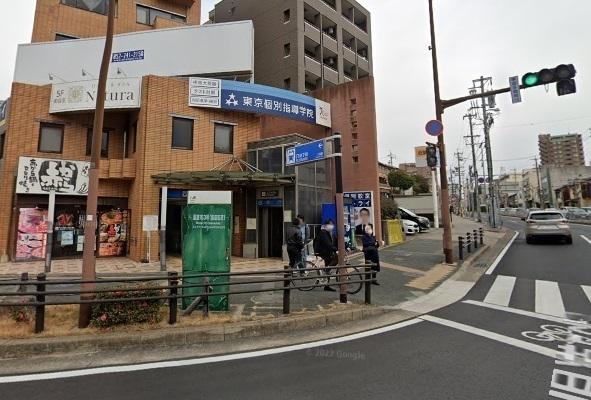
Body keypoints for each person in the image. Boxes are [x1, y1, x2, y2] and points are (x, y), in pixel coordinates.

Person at [314, 219, 338, 291]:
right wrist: (335, 249)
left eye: (332, 225)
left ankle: (327, 285)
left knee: (331, 261)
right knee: (335, 259)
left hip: (325, 251)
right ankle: (326, 270)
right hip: (322, 252)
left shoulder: (327, 232)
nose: (332, 226)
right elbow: (328, 244)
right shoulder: (323, 233)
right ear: (326, 225)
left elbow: (333, 242)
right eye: (330, 224)